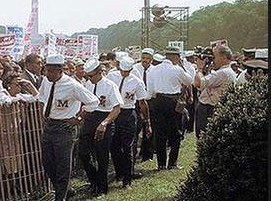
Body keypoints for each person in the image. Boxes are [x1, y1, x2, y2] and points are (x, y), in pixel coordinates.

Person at [39, 53, 99, 201]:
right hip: (49, 125)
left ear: (61, 70)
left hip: (64, 127)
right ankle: (65, 189)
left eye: (52, 71)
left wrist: (78, 118)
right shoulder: (46, 82)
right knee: (47, 162)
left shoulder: (72, 85)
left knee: (63, 165)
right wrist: (43, 112)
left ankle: (61, 196)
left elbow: (93, 102)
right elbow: (41, 97)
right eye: (47, 70)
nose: (48, 74)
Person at [78, 57, 122, 197]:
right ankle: (94, 181)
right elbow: (84, 105)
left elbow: (116, 109)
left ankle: (102, 188)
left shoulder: (110, 86)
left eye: (91, 76)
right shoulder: (88, 85)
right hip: (90, 119)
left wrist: (104, 123)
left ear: (99, 72)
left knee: (101, 156)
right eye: (87, 76)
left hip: (105, 119)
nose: (89, 78)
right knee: (83, 154)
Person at [146, 45, 194, 170]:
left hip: (157, 101)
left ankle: (161, 164)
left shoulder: (153, 70)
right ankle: (172, 163)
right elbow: (189, 81)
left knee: (160, 133)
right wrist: (182, 66)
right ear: (176, 57)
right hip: (172, 101)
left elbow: (150, 91)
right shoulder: (177, 69)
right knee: (176, 132)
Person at [108, 56, 150, 188]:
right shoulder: (111, 76)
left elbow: (142, 102)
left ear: (131, 69)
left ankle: (127, 178)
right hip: (114, 112)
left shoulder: (136, 82)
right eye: (121, 70)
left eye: (126, 71)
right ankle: (119, 172)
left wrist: (147, 121)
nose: (123, 74)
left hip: (127, 113)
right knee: (114, 145)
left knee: (127, 146)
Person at [193, 44, 236, 137]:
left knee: (203, 137)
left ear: (223, 58)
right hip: (212, 107)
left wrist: (200, 68)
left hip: (209, 109)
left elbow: (198, 83)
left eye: (214, 57)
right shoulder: (227, 71)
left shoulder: (223, 73)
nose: (212, 60)